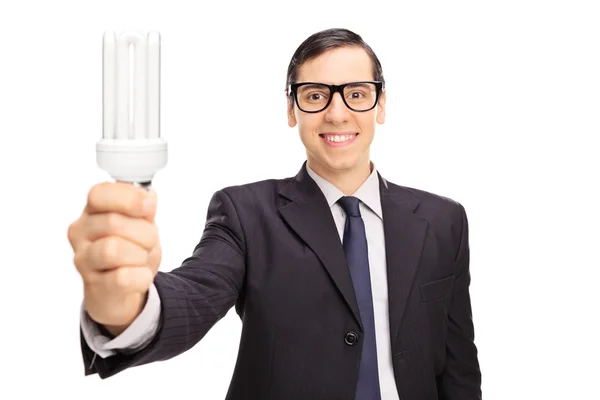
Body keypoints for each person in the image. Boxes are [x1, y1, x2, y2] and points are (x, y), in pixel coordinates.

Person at [68, 28, 482, 399]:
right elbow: (195, 295)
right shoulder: (246, 214)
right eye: (316, 95)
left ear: (381, 104)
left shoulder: (444, 221)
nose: (337, 113)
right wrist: (125, 305)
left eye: (356, 93)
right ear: (291, 109)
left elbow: (458, 366)